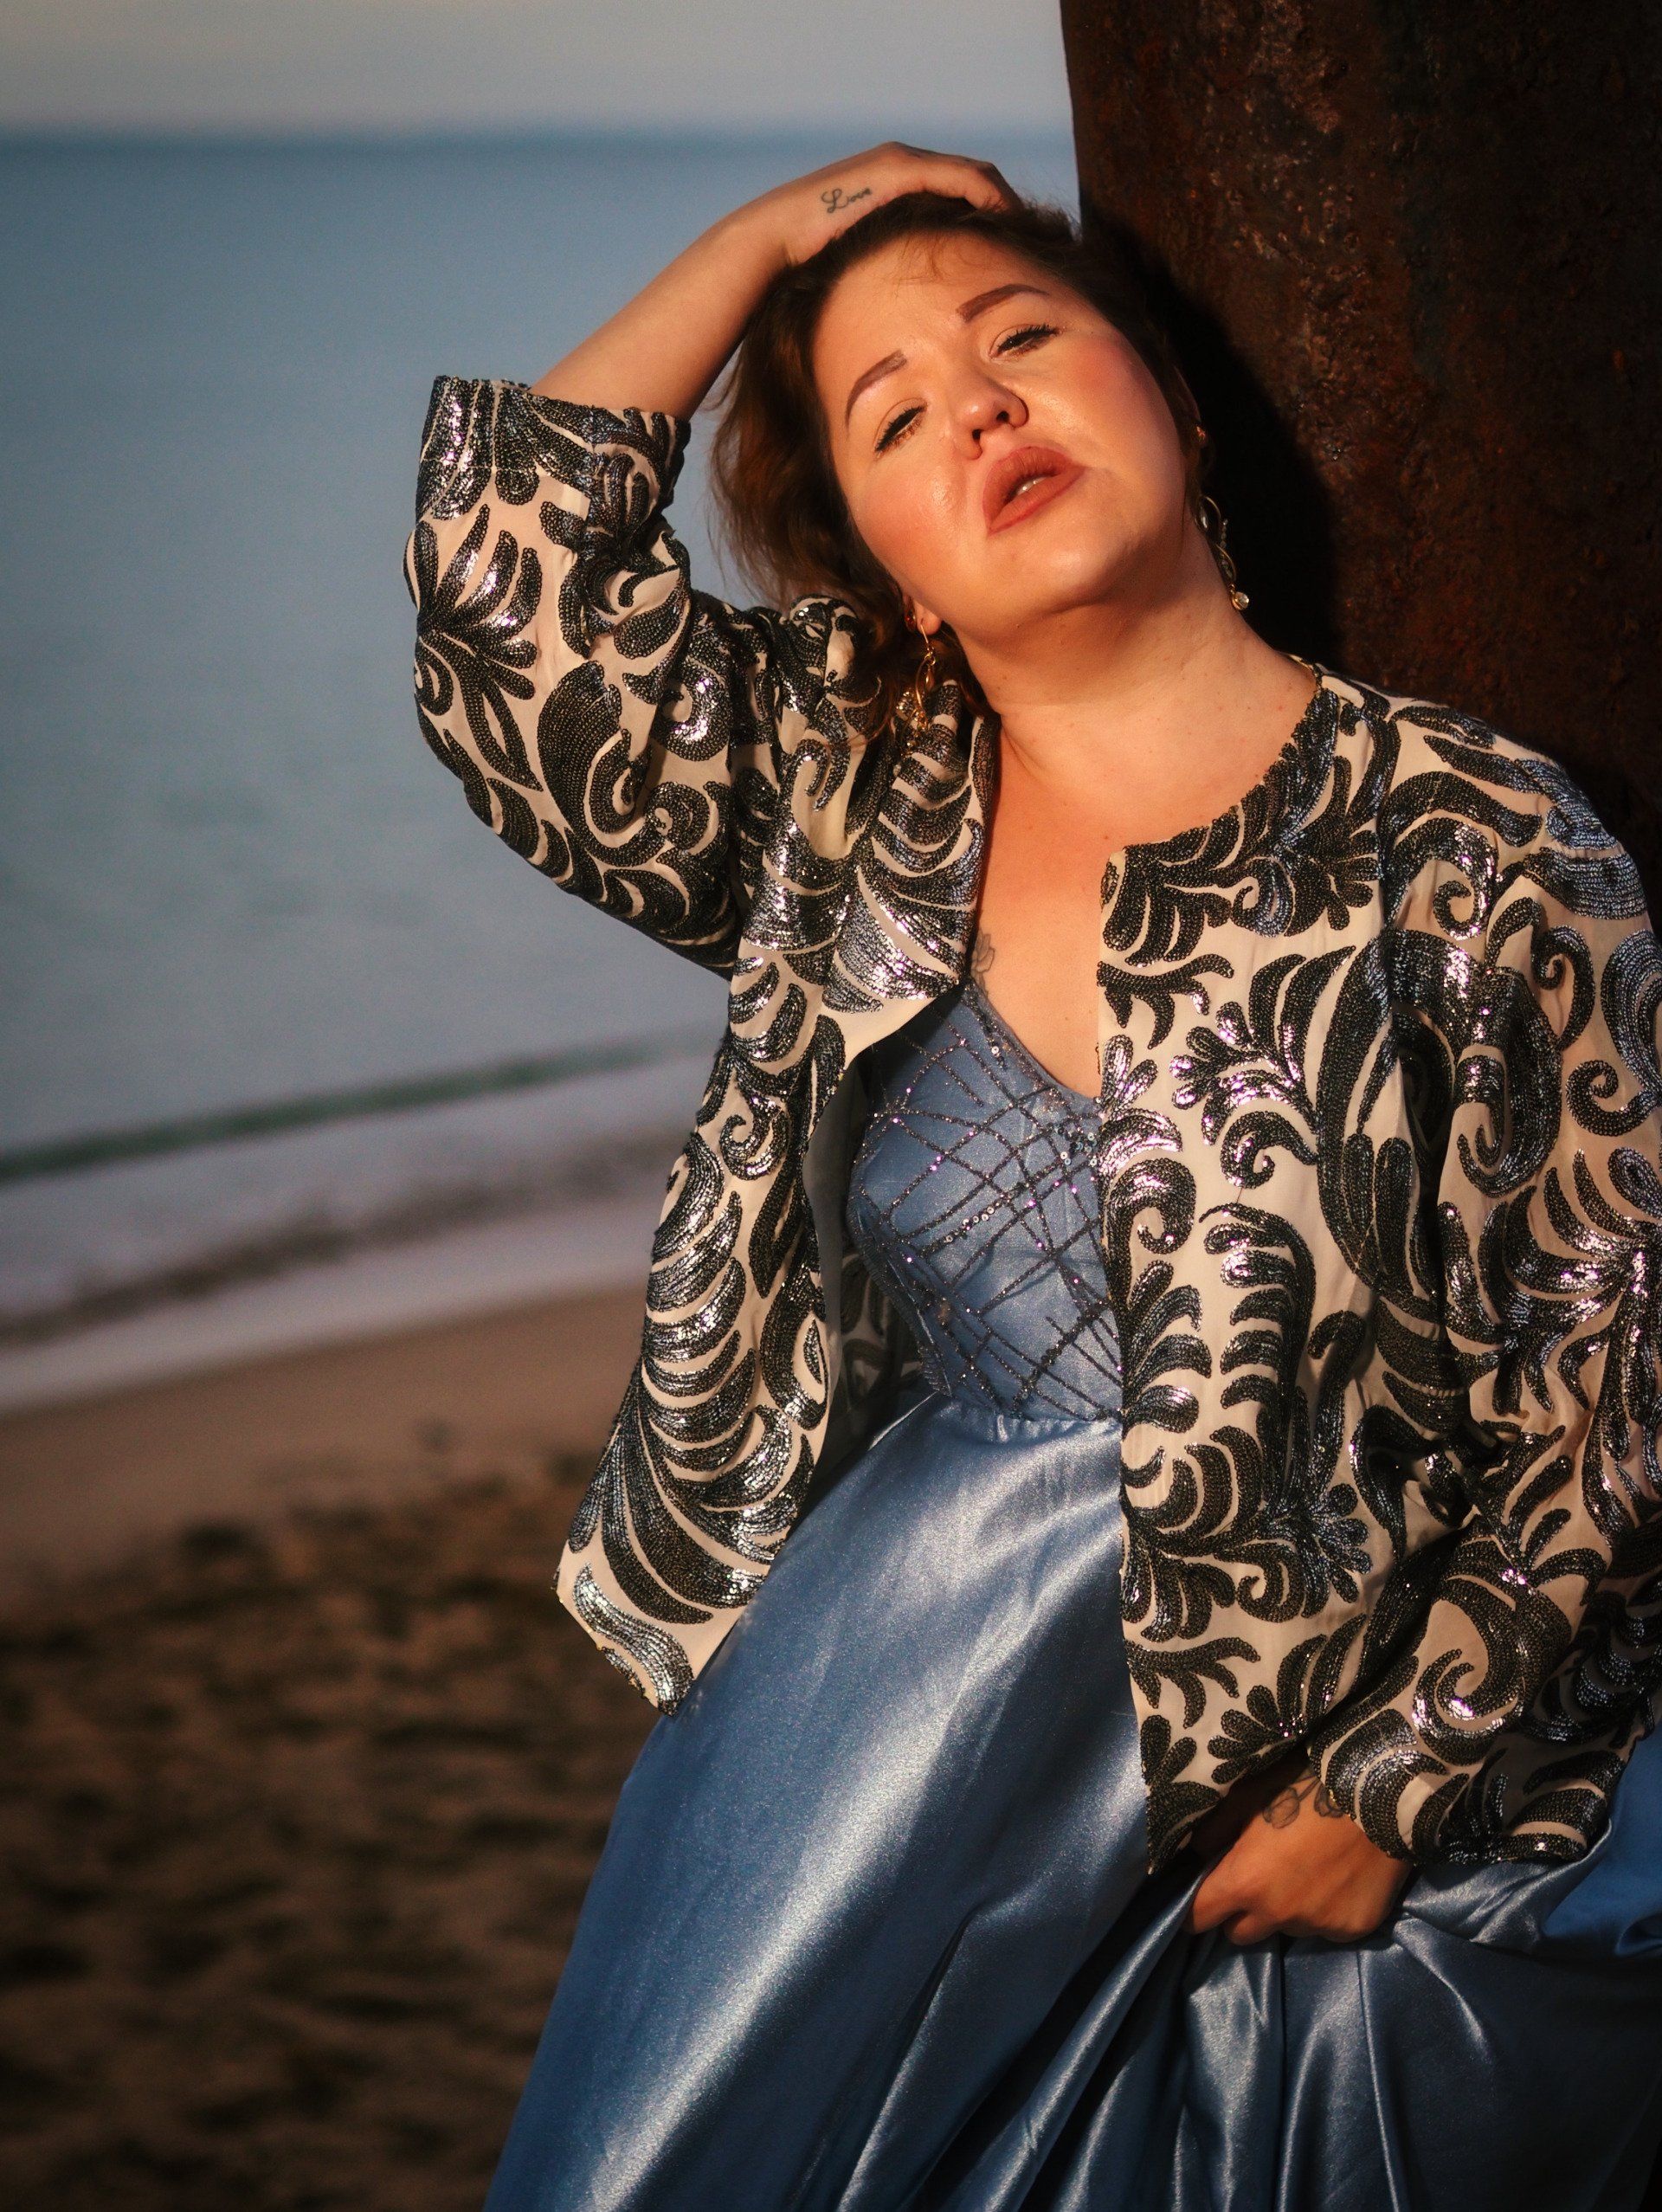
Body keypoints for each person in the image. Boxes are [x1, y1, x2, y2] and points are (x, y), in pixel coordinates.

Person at [404, 145, 1662, 2210]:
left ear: (1161, 393)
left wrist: (1393, 1781)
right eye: (894, 413)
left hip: (1295, 1755)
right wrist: (763, 247)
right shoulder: (842, 784)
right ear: (894, 565)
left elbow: (1599, 1366)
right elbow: (505, 596)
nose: (979, 405)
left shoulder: (1478, 842)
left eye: (1022, 339)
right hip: (877, 1718)